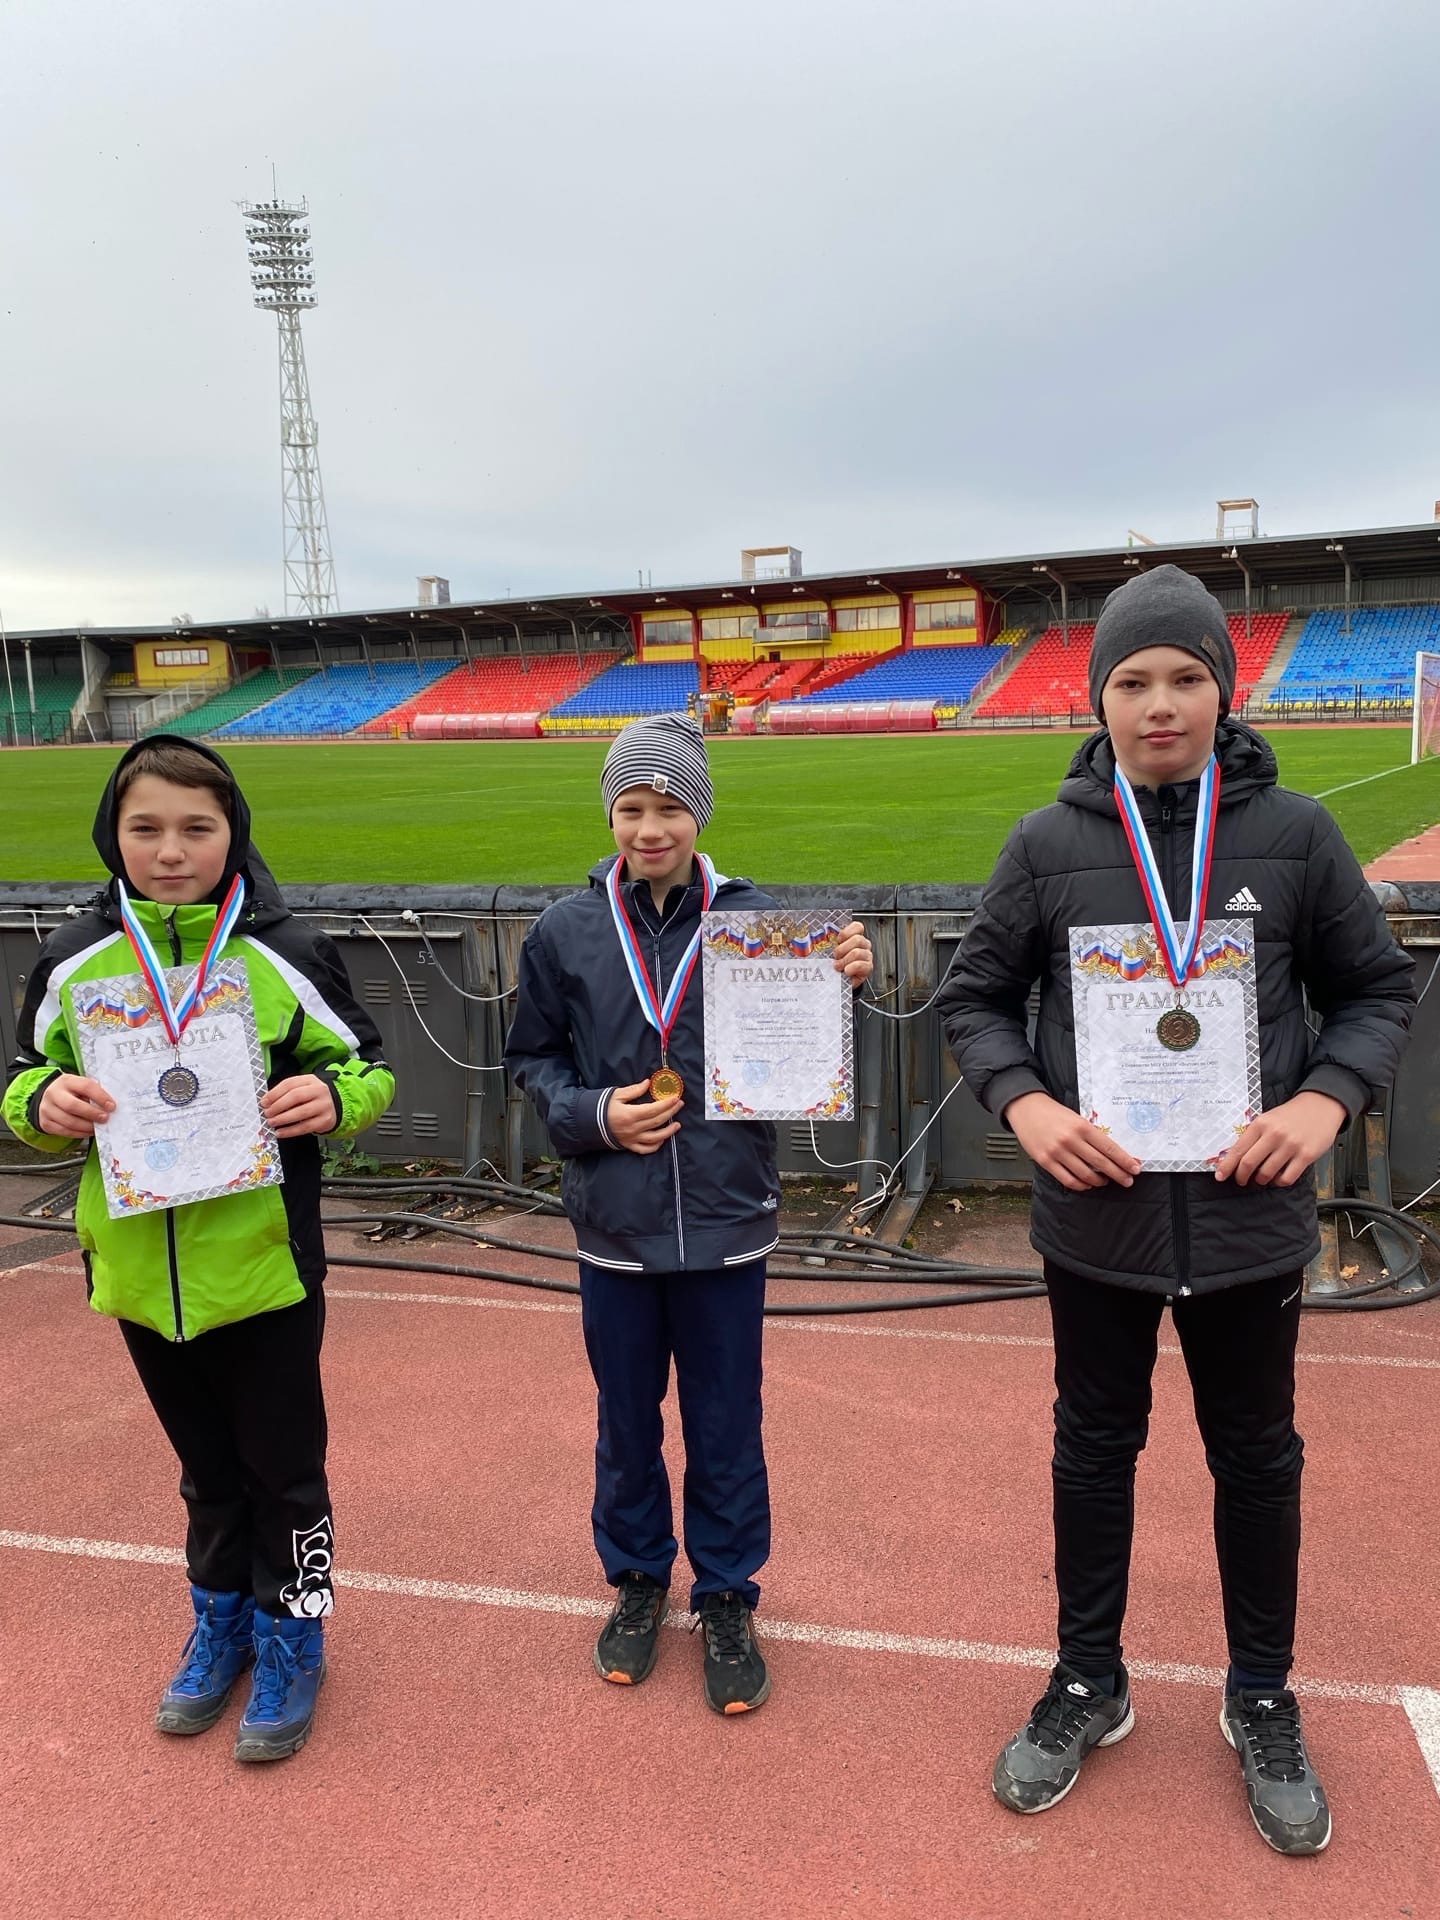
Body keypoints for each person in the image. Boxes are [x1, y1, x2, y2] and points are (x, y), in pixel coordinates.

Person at [937, 566, 1414, 1854]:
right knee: (1093, 1450)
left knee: (1257, 1459)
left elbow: (1375, 990)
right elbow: (975, 999)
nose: (1161, 703)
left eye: (1187, 678)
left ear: (1224, 690)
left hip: (1251, 1224)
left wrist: (1324, 1102)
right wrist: (1027, 1108)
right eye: (1134, 680)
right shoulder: (1046, 845)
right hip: (1097, 1224)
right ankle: (1091, 1679)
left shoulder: (1298, 835)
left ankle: (1260, 1693)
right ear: (1098, 698)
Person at [3, 736, 394, 1763]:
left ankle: (296, 1631)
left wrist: (334, 1099)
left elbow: (367, 1063)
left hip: (265, 1270)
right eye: (145, 828)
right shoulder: (75, 957)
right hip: (139, 1272)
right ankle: (221, 1622)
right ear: (113, 835)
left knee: (286, 1474)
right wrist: (43, 1105)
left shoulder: (285, 950)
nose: (170, 850)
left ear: (234, 834)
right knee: (205, 1472)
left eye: (196, 828)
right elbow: (21, 1077)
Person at [504, 712, 873, 1713]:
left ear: (699, 813)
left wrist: (841, 981)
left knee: (726, 1421)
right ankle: (637, 1580)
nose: (650, 827)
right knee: (626, 1421)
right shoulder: (565, 930)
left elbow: (806, 1054)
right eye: (631, 807)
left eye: (669, 807)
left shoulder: (759, 924)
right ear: (609, 815)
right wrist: (595, 1115)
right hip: (616, 1225)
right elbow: (531, 1060)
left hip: (726, 1219)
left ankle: (726, 1595)